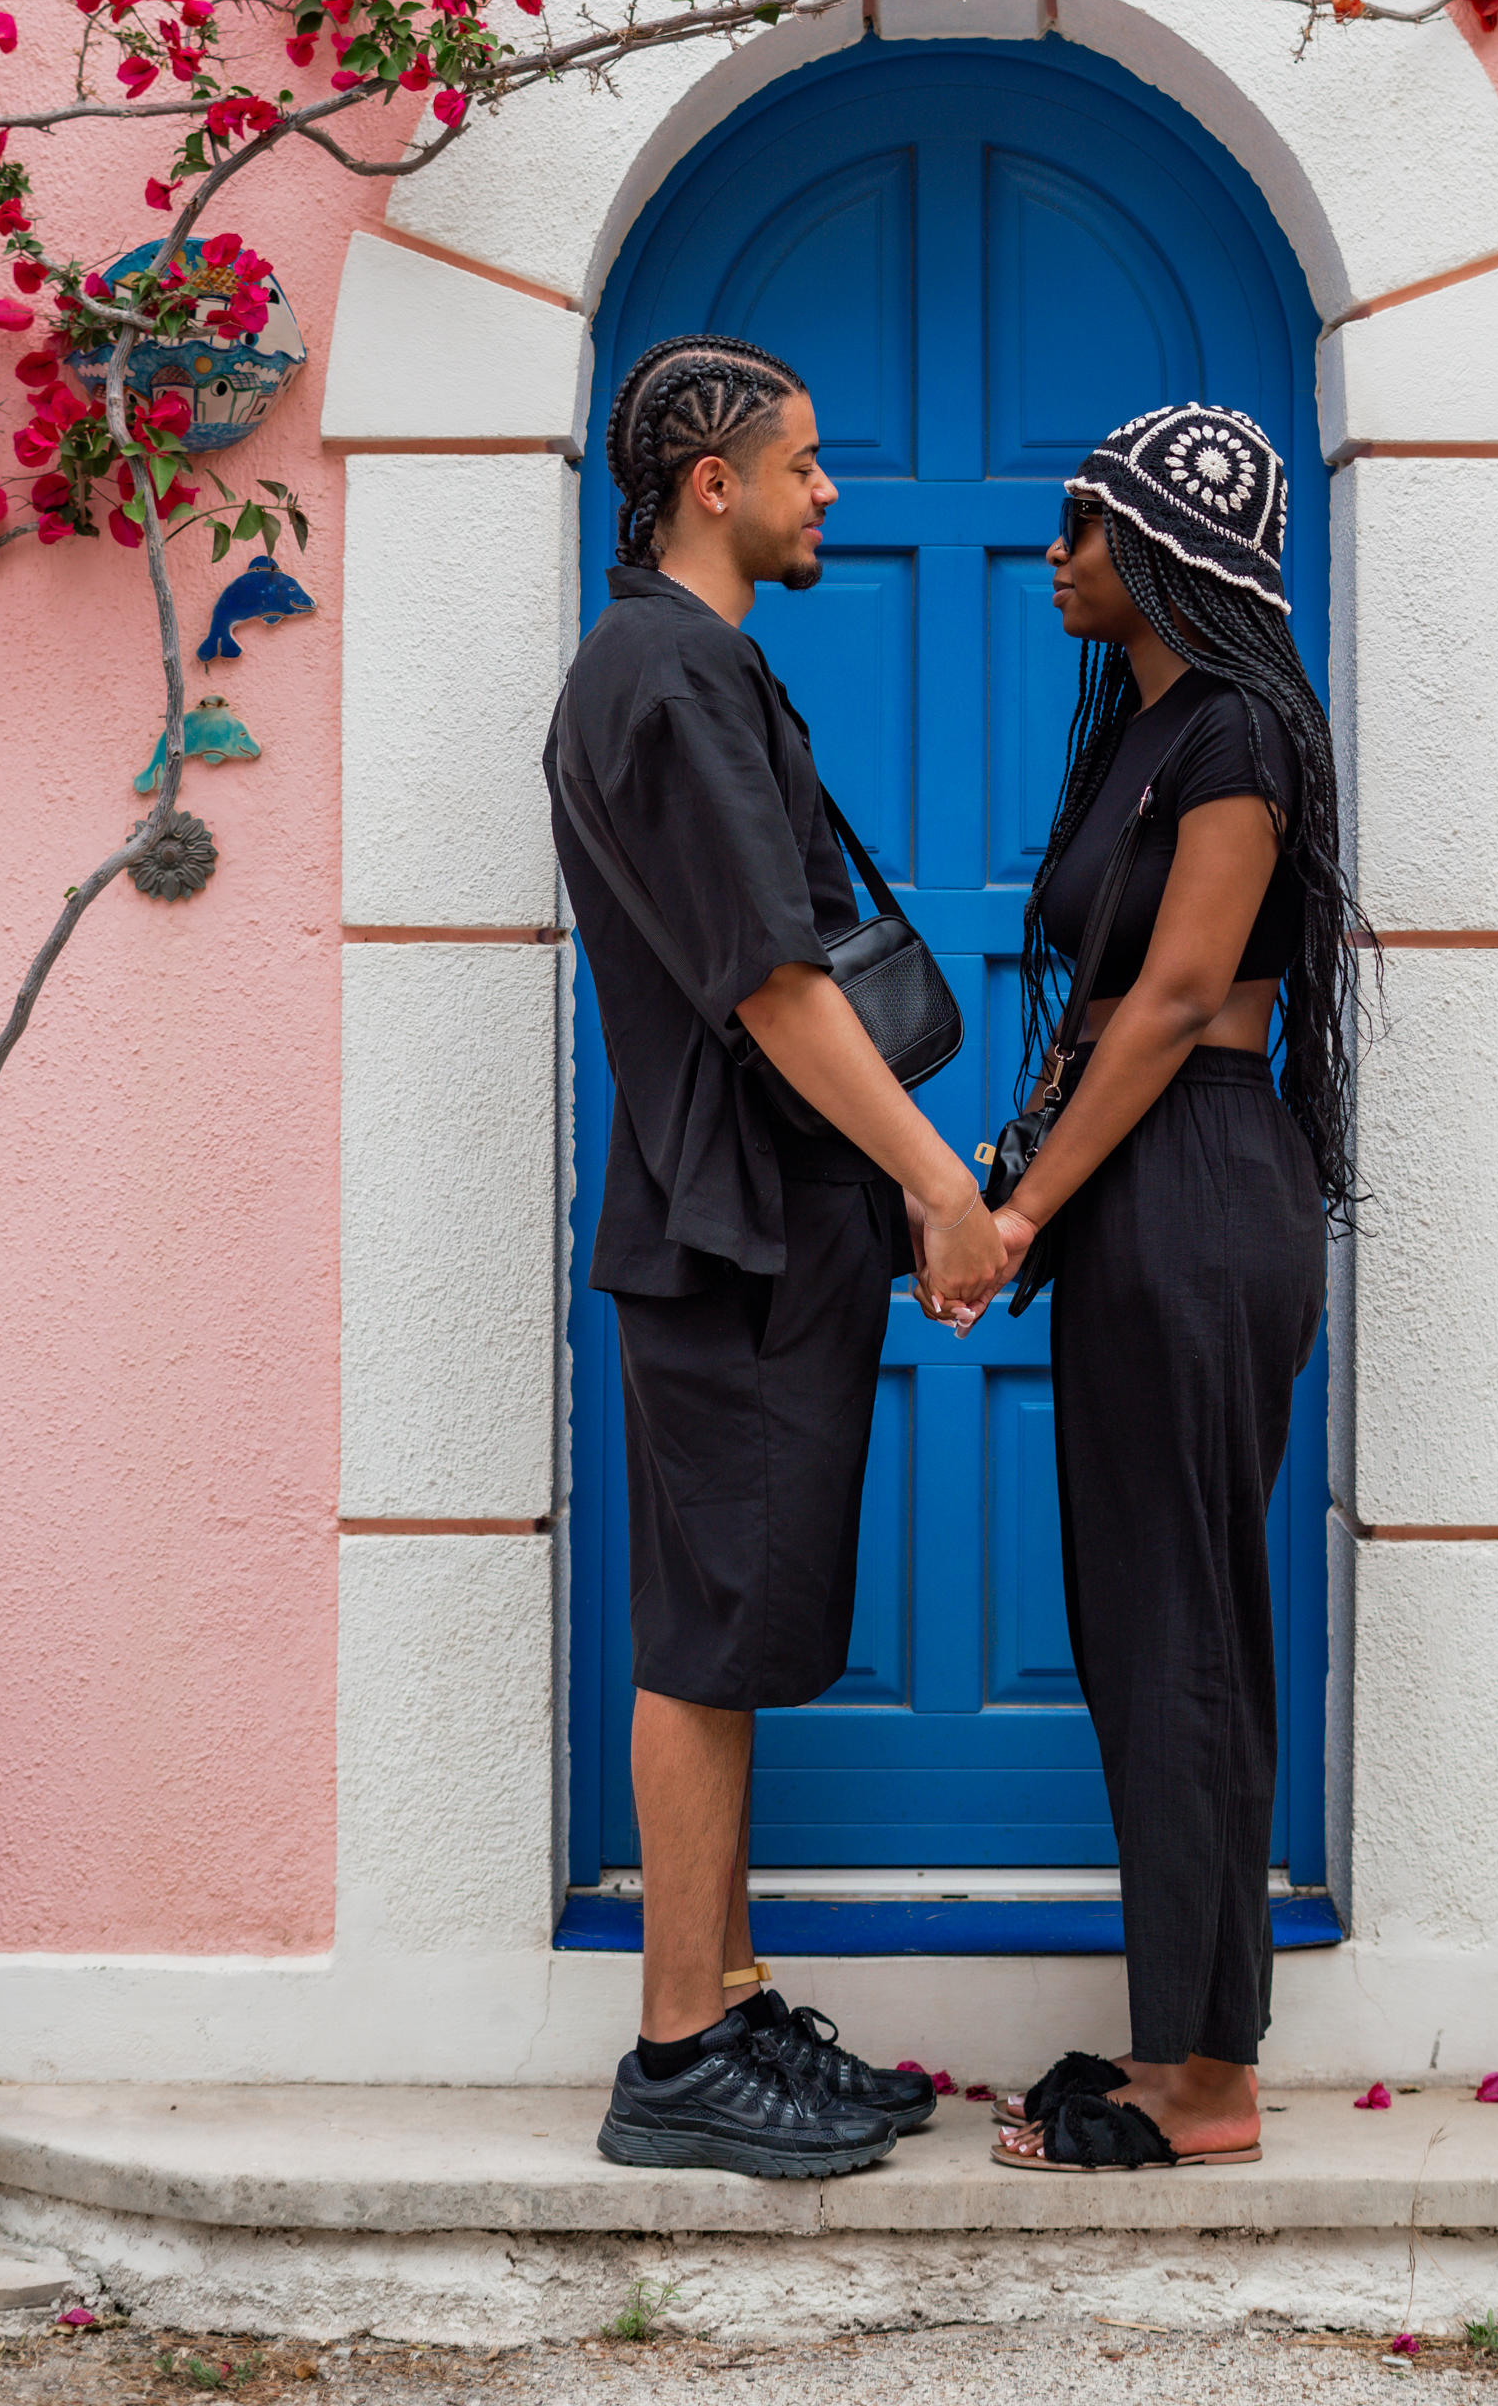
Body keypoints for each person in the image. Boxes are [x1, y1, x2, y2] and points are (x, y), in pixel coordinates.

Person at [547, 332, 1009, 2178]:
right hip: (724, 1232)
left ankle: (725, 2002)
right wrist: (940, 1181)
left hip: (756, 1229)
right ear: (711, 484)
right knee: (705, 1639)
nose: (836, 493)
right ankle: (675, 2052)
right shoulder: (664, 670)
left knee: (732, 1628)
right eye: (807, 465)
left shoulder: (687, 665)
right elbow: (769, 980)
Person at [975, 403, 1372, 2176]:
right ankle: (1178, 2040)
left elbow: (1181, 989)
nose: (1054, 555)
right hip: (1139, 1192)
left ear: (1160, 551)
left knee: (1187, 1626)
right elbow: (1094, 1001)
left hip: (1203, 1184)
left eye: (1082, 527)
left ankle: (1211, 2077)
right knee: (1146, 1627)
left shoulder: (1236, 732)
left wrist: (1024, 1207)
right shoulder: (1141, 734)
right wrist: (1019, 1187)